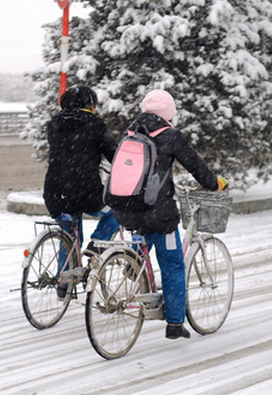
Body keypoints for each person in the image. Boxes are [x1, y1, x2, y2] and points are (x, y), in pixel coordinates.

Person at [112, 89, 228, 340]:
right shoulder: (170, 135)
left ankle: (136, 265)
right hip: (158, 213)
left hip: (127, 208)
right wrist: (213, 184)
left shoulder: (130, 132)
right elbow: (196, 165)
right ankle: (175, 323)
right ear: (168, 115)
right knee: (174, 264)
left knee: (144, 234)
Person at [43, 86, 120, 297]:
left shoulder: (53, 124)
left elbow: (68, 151)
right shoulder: (95, 125)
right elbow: (114, 155)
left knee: (68, 231)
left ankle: (64, 282)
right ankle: (95, 246)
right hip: (85, 190)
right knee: (116, 212)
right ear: (90, 106)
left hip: (55, 191)